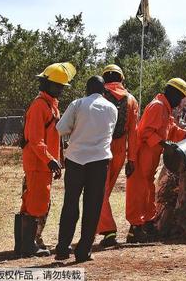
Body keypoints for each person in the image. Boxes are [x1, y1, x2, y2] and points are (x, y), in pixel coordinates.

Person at [54, 76, 117, 262]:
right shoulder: (112, 108)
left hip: (75, 159)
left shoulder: (78, 103)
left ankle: (63, 248)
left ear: (87, 89)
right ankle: (83, 250)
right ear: (103, 91)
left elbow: (61, 129)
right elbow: (109, 133)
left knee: (70, 203)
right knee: (93, 206)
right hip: (99, 161)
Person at [16, 62, 76, 257]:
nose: (60, 90)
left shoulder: (51, 106)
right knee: (36, 203)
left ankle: (25, 245)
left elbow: (53, 137)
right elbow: (35, 140)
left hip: (43, 164)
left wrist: (57, 160)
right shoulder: (39, 106)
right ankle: (28, 246)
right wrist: (50, 159)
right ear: (46, 84)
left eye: (62, 86)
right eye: (57, 86)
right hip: (37, 164)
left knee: (33, 202)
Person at [125, 78, 186, 243]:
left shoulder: (165, 108)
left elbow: (170, 130)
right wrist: (164, 144)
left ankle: (147, 224)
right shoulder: (158, 106)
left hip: (151, 159)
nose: (181, 101)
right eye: (181, 97)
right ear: (174, 93)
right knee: (138, 192)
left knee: (148, 191)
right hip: (142, 157)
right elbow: (144, 132)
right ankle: (134, 230)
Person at [96, 64, 139, 248]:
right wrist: (132, 159)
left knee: (99, 190)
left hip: (100, 146)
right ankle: (107, 229)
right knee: (105, 189)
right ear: (121, 79)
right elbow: (133, 132)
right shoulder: (131, 100)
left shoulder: (97, 96)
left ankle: (108, 230)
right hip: (120, 149)